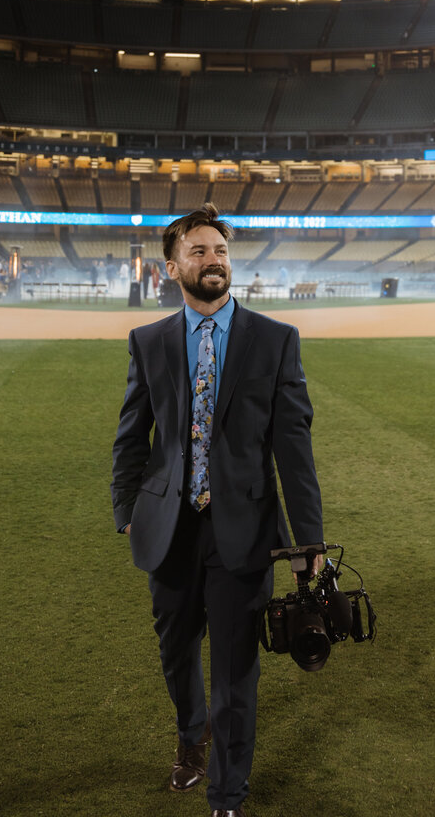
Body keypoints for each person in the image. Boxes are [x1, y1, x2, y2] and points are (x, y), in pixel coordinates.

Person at [111, 204, 323, 816]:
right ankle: (190, 737)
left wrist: (307, 544)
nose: (213, 261)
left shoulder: (275, 340)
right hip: (168, 530)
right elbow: (132, 436)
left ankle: (227, 796)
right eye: (199, 252)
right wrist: (127, 508)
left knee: (237, 672)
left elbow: (294, 448)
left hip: (244, 530)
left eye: (221, 251)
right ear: (172, 266)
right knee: (176, 655)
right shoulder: (148, 342)